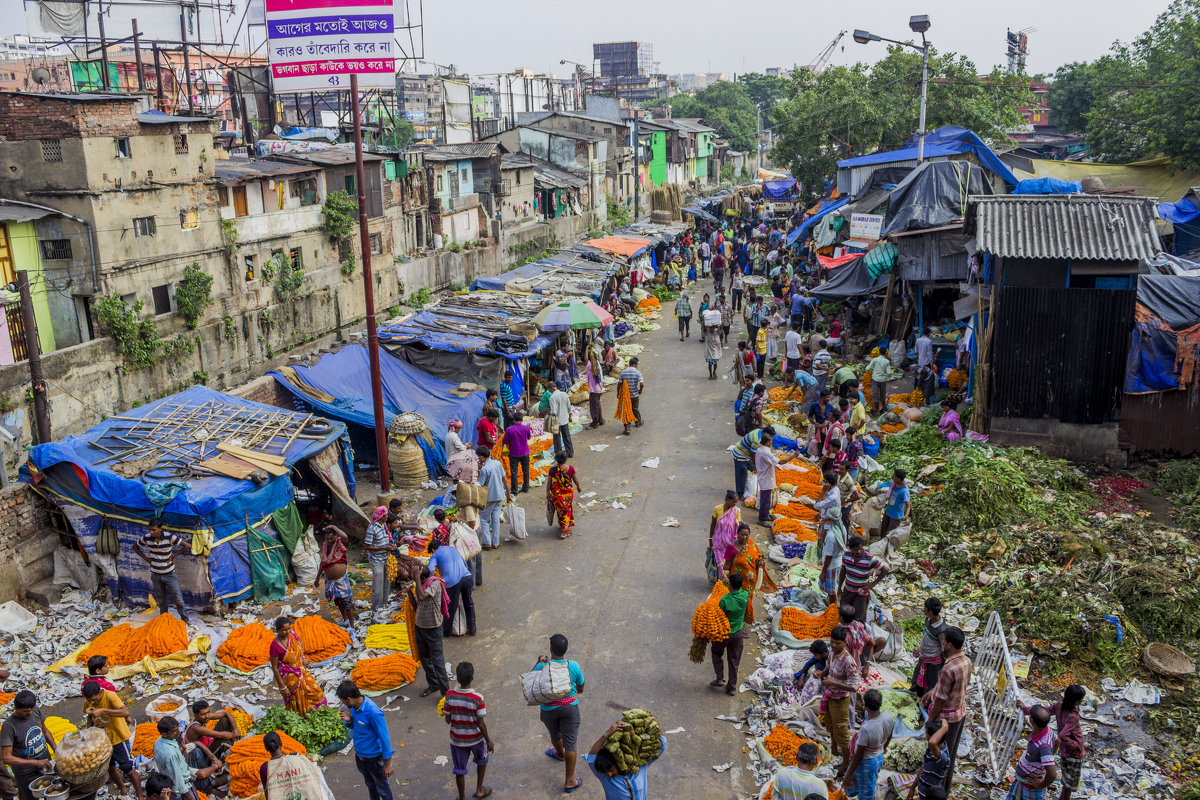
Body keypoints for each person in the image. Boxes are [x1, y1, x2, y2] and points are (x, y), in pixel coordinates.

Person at [921, 626, 972, 792]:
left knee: (940, 757)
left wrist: (930, 719)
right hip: (959, 713)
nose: (942, 643)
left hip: (946, 719)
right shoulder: (966, 661)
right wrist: (931, 692)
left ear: (949, 644)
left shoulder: (948, 668)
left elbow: (942, 700)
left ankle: (937, 791)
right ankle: (945, 787)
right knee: (950, 753)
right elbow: (948, 688)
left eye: (943, 641)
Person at [534, 634, 585, 793]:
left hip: (548, 709)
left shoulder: (543, 666)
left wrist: (538, 661)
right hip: (569, 708)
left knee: (555, 734)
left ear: (550, 649)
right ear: (566, 649)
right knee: (571, 742)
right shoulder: (574, 666)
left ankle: (559, 753)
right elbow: (581, 687)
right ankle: (570, 780)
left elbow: (531, 682)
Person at [1020, 685, 1086, 800]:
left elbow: (1044, 711)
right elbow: (1062, 736)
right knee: (1069, 784)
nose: (1081, 701)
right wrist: (1075, 745)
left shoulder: (1060, 705)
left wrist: (1025, 709)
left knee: (1066, 777)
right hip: (1074, 753)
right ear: (1076, 701)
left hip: (1065, 750)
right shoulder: (1072, 717)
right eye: (1081, 699)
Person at [81, 680, 144, 800]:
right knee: (110, 767)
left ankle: (140, 796)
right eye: (89, 700)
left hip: (118, 738)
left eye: (94, 700)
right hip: (102, 741)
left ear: (100, 692)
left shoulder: (110, 696)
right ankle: (123, 788)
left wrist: (103, 711)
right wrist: (89, 730)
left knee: (129, 769)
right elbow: (90, 715)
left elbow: (125, 711)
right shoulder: (87, 701)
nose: (92, 702)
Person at [337, 680, 394, 800]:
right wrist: (349, 721)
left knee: (383, 791)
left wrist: (387, 764)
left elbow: (385, 738)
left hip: (374, 760)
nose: (342, 703)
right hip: (361, 759)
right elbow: (358, 727)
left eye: (342, 700)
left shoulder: (373, 712)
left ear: (349, 699)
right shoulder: (353, 708)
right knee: (371, 787)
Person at [444, 662, 494, 800]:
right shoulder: (478, 698)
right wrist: (489, 741)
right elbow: (481, 723)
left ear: (457, 678)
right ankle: (479, 790)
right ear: (472, 678)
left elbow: (448, 720)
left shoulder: (449, 696)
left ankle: (462, 797)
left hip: (457, 740)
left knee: (459, 770)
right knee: (482, 761)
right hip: (476, 739)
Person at [584, 720, 665, 800]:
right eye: (605, 772)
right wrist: (606, 734)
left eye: (611, 770)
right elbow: (591, 756)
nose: (609, 774)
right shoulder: (604, 775)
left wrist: (654, 724)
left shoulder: (640, 767)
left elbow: (662, 745)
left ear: (619, 762)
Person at [133, 518, 192, 624]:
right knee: (161, 600)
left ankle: (185, 620)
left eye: (154, 530)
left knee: (178, 599)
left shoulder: (169, 537)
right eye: (149, 530)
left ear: (160, 529)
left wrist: (174, 555)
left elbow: (187, 546)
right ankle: (163, 620)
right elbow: (135, 547)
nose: (151, 532)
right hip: (155, 574)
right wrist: (147, 559)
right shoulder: (147, 538)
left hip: (169, 574)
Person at [822, 625, 860, 776]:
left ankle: (846, 763)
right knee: (830, 724)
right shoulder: (831, 654)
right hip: (830, 696)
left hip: (841, 699)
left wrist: (833, 683)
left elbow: (854, 686)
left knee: (841, 730)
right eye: (832, 642)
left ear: (844, 643)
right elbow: (828, 670)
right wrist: (821, 674)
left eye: (837, 643)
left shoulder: (848, 661)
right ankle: (833, 750)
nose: (833, 645)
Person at [270, 616, 327, 715]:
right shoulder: (275, 646)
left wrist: (303, 658)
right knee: (297, 702)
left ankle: (318, 714)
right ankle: (303, 718)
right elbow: (275, 667)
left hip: (300, 671)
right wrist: (283, 687)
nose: (287, 632)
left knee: (316, 692)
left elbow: (299, 644)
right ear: (278, 630)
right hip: (289, 677)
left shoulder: (292, 635)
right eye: (284, 630)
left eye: (289, 629)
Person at [154, 715, 220, 800]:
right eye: (175, 731)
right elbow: (178, 780)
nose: (179, 731)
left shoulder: (159, 741)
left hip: (172, 781)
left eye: (178, 728)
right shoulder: (170, 754)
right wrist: (189, 796)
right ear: (164, 734)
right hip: (180, 789)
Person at [842, 688, 892, 800]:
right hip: (878, 756)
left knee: (867, 790)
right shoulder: (888, 716)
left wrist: (848, 774)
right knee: (863, 781)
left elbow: (858, 755)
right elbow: (890, 736)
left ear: (866, 706)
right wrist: (882, 749)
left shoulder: (867, 728)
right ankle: (853, 794)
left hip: (867, 762)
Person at [408, 562, 450, 697]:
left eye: (415, 576)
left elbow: (421, 596)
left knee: (437, 661)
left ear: (422, 577)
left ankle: (446, 694)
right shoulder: (420, 586)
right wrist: (409, 591)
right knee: (425, 659)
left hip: (433, 628)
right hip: (420, 627)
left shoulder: (435, 584)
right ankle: (433, 684)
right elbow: (416, 605)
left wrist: (416, 580)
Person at [723, 524, 776, 625]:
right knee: (737, 602)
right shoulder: (731, 548)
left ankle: (744, 622)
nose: (745, 537)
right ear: (737, 534)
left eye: (747, 535)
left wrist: (760, 562)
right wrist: (725, 578)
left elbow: (757, 557)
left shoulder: (751, 544)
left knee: (746, 602)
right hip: (737, 582)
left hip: (749, 582)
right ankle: (736, 623)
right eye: (742, 535)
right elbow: (727, 565)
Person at [184, 701, 239, 794]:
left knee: (225, 720)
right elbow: (223, 736)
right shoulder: (196, 727)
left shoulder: (204, 718)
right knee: (224, 742)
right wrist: (234, 734)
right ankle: (227, 763)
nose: (207, 716)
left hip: (205, 747)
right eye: (203, 714)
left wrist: (235, 728)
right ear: (196, 715)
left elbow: (226, 713)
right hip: (198, 758)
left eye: (208, 712)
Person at [1006, 705, 1059, 800]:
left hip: (1031, 787)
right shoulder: (1048, 731)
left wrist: (1041, 785)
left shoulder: (1043, 747)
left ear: (1032, 720)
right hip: (1023, 781)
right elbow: (1058, 741)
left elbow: (1052, 774)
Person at [709, 572, 748, 696]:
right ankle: (732, 687)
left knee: (716, 652)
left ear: (730, 585)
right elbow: (735, 589)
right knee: (734, 660)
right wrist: (728, 581)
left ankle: (719, 678)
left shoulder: (725, 600)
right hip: (738, 634)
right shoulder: (744, 595)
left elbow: (719, 614)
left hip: (724, 633)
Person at [261, 730, 329, 800]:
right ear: (281, 743)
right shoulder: (297, 759)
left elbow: (268, 792)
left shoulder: (265, 768)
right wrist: (296, 757)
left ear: (266, 748)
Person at [430, 540, 475, 637]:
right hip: (467, 576)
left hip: (452, 582)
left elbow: (430, 569)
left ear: (433, 549)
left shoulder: (435, 554)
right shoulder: (452, 548)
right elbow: (464, 563)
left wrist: (429, 582)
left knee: (450, 607)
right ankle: (472, 629)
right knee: (469, 603)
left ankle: (446, 632)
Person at [839, 535, 889, 623]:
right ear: (850, 549)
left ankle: (859, 634)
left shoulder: (869, 558)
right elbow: (843, 571)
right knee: (844, 614)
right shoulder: (846, 555)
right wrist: (839, 587)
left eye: (860, 549)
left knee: (858, 618)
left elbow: (885, 570)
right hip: (848, 590)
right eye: (855, 550)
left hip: (861, 593)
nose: (858, 551)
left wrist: (872, 584)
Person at [816, 472, 846, 604]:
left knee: (831, 590)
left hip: (831, 565)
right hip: (837, 562)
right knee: (832, 588)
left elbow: (828, 556)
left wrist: (823, 572)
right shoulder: (842, 529)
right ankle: (831, 604)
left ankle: (832, 608)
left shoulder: (831, 536)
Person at [475, 445, 511, 551]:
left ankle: (487, 543)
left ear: (481, 457)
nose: (478, 459)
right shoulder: (497, 463)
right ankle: (495, 543)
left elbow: (479, 485)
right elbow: (504, 479)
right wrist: (508, 495)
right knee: (495, 519)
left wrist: (478, 471)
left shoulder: (484, 469)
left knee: (484, 519)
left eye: (478, 457)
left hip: (489, 498)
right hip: (500, 496)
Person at [906, 719, 951, 800]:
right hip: (922, 791)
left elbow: (932, 742)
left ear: (932, 737)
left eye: (926, 732)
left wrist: (945, 728)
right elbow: (923, 769)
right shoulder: (931, 750)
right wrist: (912, 788)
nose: (925, 734)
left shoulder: (943, 759)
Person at [363, 507, 396, 615]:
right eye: (386, 515)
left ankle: (384, 604)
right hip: (376, 559)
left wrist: (391, 545)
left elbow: (389, 538)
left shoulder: (384, 525)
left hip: (386, 558)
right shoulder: (372, 528)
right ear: (381, 516)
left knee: (387, 582)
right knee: (378, 585)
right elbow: (367, 546)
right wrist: (384, 548)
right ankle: (376, 608)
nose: (387, 516)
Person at [912, 597, 946, 697]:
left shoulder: (941, 630)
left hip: (934, 664)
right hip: (924, 658)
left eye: (925, 608)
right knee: (916, 681)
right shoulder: (928, 619)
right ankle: (916, 699)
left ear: (930, 611)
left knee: (930, 687)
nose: (923, 609)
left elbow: (944, 649)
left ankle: (925, 707)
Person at [547, 453, 581, 540]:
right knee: (566, 511)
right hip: (567, 495)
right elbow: (575, 479)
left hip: (557, 495)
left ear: (556, 459)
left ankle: (563, 525)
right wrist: (578, 487)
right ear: (566, 459)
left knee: (560, 511)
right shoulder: (570, 468)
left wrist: (547, 492)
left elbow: (549, 483)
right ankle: (564, 531)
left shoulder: (553, 470)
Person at [502, 411, 532, 494]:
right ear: (522, 419)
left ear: (513, 419)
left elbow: (505, 441)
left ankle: (514, 491)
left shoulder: (509, 429)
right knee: (526, 471)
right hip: (525, 452)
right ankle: (526, 487)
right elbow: (529, 437)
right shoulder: (526, 428)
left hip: (514, 453)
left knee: (514, 472)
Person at [875, 469, 911, 539]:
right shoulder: (894, 484)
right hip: (888, 511)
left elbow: (908, 505)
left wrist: (906, 515)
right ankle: (881, 543)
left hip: (895, 516)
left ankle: (888, 547)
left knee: (890, 534)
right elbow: (889, 493)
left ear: (899, 478)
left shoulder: (904, 491)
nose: (892, 477)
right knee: (883, 530)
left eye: (894, 476)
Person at [754, 439, 780, 527]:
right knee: (765, 500)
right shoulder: (765, 452)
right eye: (771, 441)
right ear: (768, 442)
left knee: (767, 499)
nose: (772, 442)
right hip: (765, 478)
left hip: (765, 476)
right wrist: (792, 456)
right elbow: (780, 461)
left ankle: (765, 515)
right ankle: (761, 519)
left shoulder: (760, 449)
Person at [618, 357, 644, 435]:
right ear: (634, 364)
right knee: (635, 409)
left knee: (626, 410)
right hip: (635, 395)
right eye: (637, 364)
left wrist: (618, 393)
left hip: (626, 396)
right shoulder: (637, 373)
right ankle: (638, 422)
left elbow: (619, 383)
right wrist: (640, 390)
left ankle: (627, 429)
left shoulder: (623, 372)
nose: (637, 365)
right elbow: (642, 384)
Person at [585, 347, 605, 429]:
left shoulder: (591, 365)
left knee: (594, 407)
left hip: (594, 390)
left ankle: (595, 422)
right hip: (599, 389)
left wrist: (586, 349)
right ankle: (600, 420)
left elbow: (585, 359)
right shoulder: (597, 364)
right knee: (598, 405)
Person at [867, 349, 891, 413]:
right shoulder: (887, 361)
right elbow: (889, 372)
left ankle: (877, 410)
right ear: (885, 353)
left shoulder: (875, 360)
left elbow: (868, 368)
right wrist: (888, 377)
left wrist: (869, 370)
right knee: (883, 394)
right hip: (883, 380)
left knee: (875, 394)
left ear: (879, 352)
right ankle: (883, 410)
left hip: (875, 379)